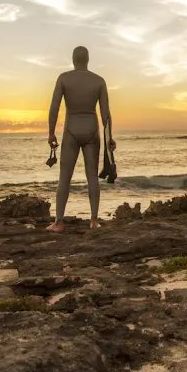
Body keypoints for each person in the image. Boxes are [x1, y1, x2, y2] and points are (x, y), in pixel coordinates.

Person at [46, 46, 115, 232]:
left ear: (73, 59)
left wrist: (51, 133)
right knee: (92, 176)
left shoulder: (64, 78)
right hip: (92, 130)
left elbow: (54, 108)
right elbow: (106, 115)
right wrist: (110, 138)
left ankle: (58, 222)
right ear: (88, 59)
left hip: (71, 130)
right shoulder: (99, 81)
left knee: (64, 177)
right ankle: (93, 220)